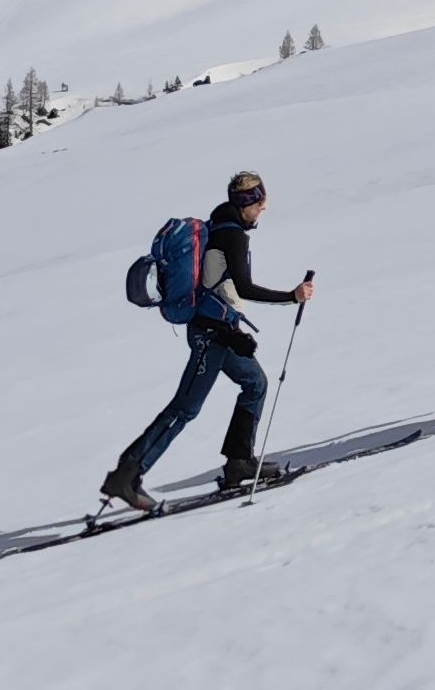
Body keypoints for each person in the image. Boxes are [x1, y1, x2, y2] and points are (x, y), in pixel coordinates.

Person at [102, 173, 315, 510]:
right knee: (185, 408)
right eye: (260, 204)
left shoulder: (219, 224)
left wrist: (233, 331)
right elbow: (242, 288)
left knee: (255, 382)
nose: (263, 209)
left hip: (218, 331)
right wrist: (292, 296)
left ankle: (239, 462)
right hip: (210, 335)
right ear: (248, 204)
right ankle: (126, 475)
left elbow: (217, 288)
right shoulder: (233, 236)